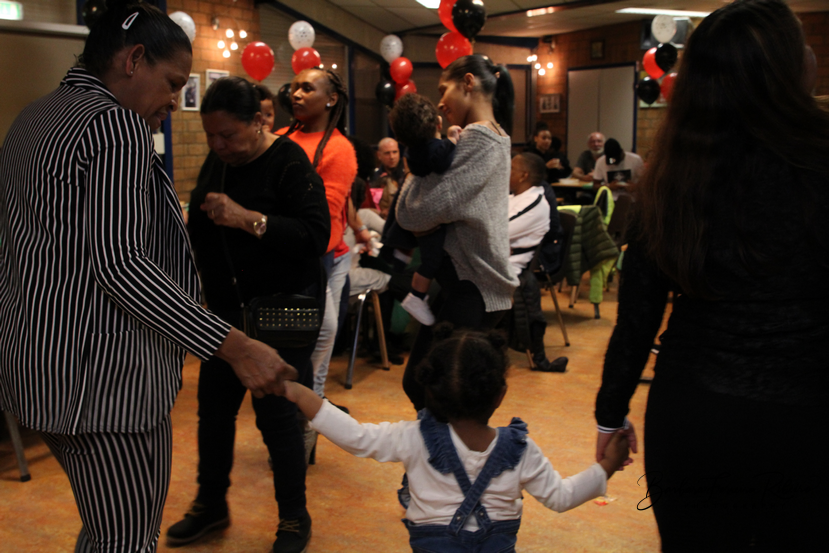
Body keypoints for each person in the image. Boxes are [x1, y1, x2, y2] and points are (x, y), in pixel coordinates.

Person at [0, 4, 293, 552]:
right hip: (103, 384)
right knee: (125, 538)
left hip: (38, 371)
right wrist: (234, 346)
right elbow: (121, 264)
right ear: (133, 59)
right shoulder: (113, 125)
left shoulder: (35, 116)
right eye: (173, 83)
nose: (176, 100)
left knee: (107, 530)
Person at [594, 1, 829, 550]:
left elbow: (637, 319)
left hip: (694, 418)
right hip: (805, 418)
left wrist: (610, 415)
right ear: (787, 70)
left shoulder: (677, 175)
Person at [281, 324, 629, 551]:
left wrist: (300, 394)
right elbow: (561, 497)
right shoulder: (520, 449)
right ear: (500, 395)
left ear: (431, 389)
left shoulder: (413, 438)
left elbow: (356, 437)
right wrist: (607, 467)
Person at [165, 77, 330, 553]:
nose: (218, 145)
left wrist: (246, 218)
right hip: (227, 315)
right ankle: (211, 504)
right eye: (210, 135)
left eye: (228, 135)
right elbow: (202, 230)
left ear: (258, 121)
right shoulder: (218, 163)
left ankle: (294, 517)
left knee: (276, 416)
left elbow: (315, 236)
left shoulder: (288, 162)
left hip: (283, 314)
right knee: (213, 410)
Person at [396, 54, 520, 411]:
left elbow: (414, 213)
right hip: (467, 284)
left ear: (468, 83)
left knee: (434, 390)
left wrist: (412, 170)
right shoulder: (485, 136)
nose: (439, 102)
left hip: (473, 286)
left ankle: (445, 448)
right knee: (429, 388)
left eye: (443, 89)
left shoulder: (480, 138)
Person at [276, 68, 364, 400]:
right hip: (287, 251)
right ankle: (303, 401)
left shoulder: (339, 148)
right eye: (294, 87)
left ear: (331, 99)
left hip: (322, 253)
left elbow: (326, 214)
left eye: (307, 88)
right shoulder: (280, 138)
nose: (296, 94)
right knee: (305, 333)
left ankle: (312, 401)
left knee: (324, 331)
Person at [388, 93, 461, 326]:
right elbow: (441, 161)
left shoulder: (412, 151)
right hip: (431, 220)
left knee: (429, 260)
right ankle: (416, 297)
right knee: (431, 261)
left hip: (417, 219)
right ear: (438, 123)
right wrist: (452, 140)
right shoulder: (434, 148)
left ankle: (416, 294)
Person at [507, 152, 568, 373]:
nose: (507, 172)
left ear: (524, 175)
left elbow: (495, 231)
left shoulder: (535, 202)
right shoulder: (513, 197)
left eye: (511, 168)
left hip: (508, 269)